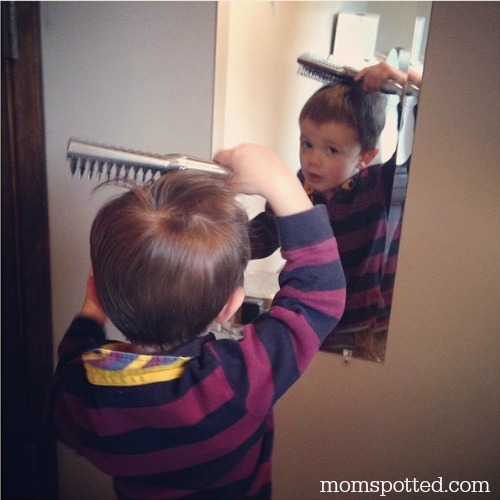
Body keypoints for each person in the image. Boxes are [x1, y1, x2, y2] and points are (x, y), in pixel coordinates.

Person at [48, 144, 346, 500]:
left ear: (96, 288)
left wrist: (91, 311)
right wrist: (281, 183)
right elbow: (317, 299)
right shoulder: (234, 384)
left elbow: (69, 368)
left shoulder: (84, 397)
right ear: (229, 306)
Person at [249, 69, 409, 362]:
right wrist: (225, 245)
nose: (313, 158)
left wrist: (403, 80)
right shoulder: (300, 185)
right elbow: (268, 230)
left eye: (331, 150)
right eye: (306, 143)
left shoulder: (377, 186)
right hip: (305, 315)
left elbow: (430, 136)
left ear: (365, 156)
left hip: (358, 329)